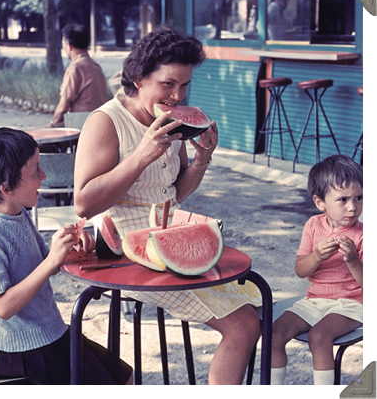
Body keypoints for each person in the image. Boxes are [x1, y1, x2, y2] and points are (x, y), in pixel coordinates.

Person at [74, 25, 262, 385]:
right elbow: (83, 204)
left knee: (256, 305)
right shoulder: (106, 122)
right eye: (168, 84)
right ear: (138, 78)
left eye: (185, 85)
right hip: (125, 251)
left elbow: (173, 193)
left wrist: (202, 160)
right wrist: (140, 157)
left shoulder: (170, 121)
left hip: (168, 230)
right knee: (242, 325)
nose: (178, 95)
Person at [0, 128, 132, 385]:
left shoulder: (19, 213)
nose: (44, 176)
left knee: (124, 377)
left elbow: (47, 265)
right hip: (15, 348)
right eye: (35, 170)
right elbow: (3, 307)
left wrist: (69, 251)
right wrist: (50, 262)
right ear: (6, 187)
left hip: (47, 330)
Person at [271, 154, 363, 385]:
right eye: (343, 200)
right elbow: (301, 270)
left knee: (319, 336)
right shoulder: (313, 225)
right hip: (315, 300)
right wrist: (317, 256)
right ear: (320, 202)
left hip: (352, 304)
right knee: (274, 335)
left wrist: (352, 260)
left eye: (359, 198)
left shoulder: (364, 234)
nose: (353, 207)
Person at [46, 24, 108, 128]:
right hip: (100, 122)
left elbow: (62, 108)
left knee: (42, 140)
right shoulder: (96, 66)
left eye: (63, 44)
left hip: (82, 124)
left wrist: (52, 126)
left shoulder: (75, 68)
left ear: (68, 45)